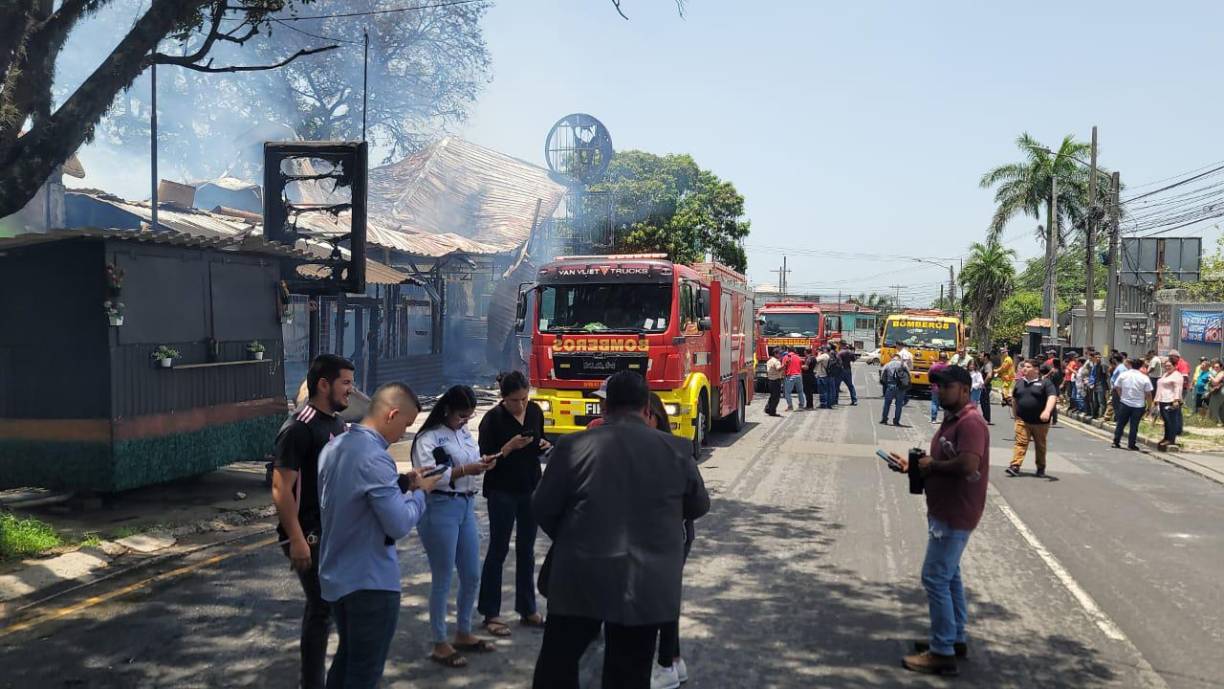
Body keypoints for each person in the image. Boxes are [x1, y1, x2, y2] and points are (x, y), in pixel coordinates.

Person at [532, 371, 710, 689]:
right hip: (646, 584)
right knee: (628, 675)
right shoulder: (678, 450)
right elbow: (698, 506)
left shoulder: (572, 445)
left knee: (557, 667)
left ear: (604, 408)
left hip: (579, 577)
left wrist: (575, 535)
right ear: (647, 408)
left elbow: (543, 508)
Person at [317, 383, 443, 689]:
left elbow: (356, 499)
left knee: (346, 663)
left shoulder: (335, 446)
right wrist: (421, 493)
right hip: (370, 582)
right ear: (393, 414)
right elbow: (398, 524)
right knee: (363, 674)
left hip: (337, 577)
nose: (403, 434)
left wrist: (402, 483)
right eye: (406, 425)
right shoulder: (375, 457)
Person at [885, 365, 989, 677]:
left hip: (956, 511)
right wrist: (915, 467)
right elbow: (944, 460)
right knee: (950, 575)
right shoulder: (954, 418)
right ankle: (955, 638)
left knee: (935, 578)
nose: (938, 391)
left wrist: (932, 465)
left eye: (944, 387)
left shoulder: (971, 422)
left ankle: (942, 651)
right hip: (946, 507)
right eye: (936, 387)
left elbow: (968, 463)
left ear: (962, 388)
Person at [271, 354, 353, 689]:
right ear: (324, 384)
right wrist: (297, 539)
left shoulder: (336, 423)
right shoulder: (299, 427)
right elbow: (280, 488)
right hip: (309, 535)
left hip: (333, 532)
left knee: (326, 609)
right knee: (321, 608)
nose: (351, 390)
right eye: (345, 383)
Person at [412, 385, 500, 668]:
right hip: (440, 505)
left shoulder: (462, 433)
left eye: (468, 417)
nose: (465, 421)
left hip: (465, 504)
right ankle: (439, 641)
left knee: (471, 573)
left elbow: (469, 460)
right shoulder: (429, 438)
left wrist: (482, 463)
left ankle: (463, 630)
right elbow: (430, 476)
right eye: (461, 416)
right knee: (443, 575)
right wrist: (465, 470)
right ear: (447, 410)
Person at [477, 372, 552, 639]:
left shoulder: (534, 412)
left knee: (527, 550)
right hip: (502, 490)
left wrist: (543, 444)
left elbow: (540, 443)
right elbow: (486, 460)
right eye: (514, 401)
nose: (520, 405)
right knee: (498, 550)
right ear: (503, 398)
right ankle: (490, 612)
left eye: (524, 398)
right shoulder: (492, 420)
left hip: (530, 487)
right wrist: (507, 447)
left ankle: (527, 607)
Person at [648, 392, 696, 689]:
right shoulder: (673, 447)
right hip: (671, 534)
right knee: (666, 598)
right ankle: (674, 659)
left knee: (660, 601)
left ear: (650, 415)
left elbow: (698, 502)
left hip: (668, 536)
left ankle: (666, 664)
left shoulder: (667, 450)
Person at [1006, 359, 1058, 478]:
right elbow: (1014, 399)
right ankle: (1015, 465)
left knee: (1040, 445)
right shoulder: (1019, 383)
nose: (1024, 369)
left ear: (1036, 369)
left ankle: (1041, 467)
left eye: (1028, 367)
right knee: (1020, 442)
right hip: (1022, 420)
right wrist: (1015, 415)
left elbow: (1052, 397)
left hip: (1040, 422)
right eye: (1024, 367)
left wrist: (1047, 411)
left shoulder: (1045, 383)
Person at [1113, 359, 1153, 450]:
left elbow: (1117, 387)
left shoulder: (1123, 375)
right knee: (1134, 425)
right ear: (1141, 366)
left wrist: (1121, 396)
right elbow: (1148, 394)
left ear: (1130, 365)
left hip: (1125, 402)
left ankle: (1116, 441)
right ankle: (1131, 444)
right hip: (1138, 405)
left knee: (1121, 423)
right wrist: (1150, 406)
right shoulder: (1144, 378)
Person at [1156, 351, 1186, 451]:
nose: (1167, 367)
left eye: (1169, 366)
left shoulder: (1177, 375)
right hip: (1162, 400)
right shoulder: (1165, 375)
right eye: (1166, 366)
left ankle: (1171, 439)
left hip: (1171, 400)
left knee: (1171, 421)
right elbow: (1160, 386)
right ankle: (1166, 437)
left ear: (1174, 366)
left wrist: (1176, 400)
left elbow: (1178, 388)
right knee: (1166, 421)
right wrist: (1156, 400)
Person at [879, 354, 910, 426]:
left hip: (890, 386)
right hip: (901, 387)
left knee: (887, 404)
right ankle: (896, 421)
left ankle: (884, 419)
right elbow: (908, 375)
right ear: (899, 358)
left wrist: (885, 384)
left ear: (892, 358)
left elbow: (882, 375)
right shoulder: (903, 365)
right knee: (899, 405)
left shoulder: (888, 364)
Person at [928, 352, 949, 425]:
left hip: (935, 387)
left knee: (934, 403)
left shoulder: (934, 366)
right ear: (946, 358)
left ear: (939, 358)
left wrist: (931, 383)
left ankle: (933, 419)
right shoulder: (948, 367)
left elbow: (929, 374)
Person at [782, 346, 804, 412]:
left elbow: (784, 368)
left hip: (790, 376)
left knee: (787, 392)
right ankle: (801, 406)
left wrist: (783, 376)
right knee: (800, 392)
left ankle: (790, 406)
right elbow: (800, 368)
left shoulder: (786, 357)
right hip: (798, 376)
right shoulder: (798, 357)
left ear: (788, 350)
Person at [764, 348, 783, 417]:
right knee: (776, 397)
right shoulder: (776, 361)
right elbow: (779, 369)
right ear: (775, 354)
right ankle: (772, 411)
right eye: (779, 353)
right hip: (776, 380)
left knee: (772, 396)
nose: (780, 355)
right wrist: (785, 365)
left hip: (770, 380)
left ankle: (768, 408)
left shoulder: (769, 361)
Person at [977, 352, 994, 425]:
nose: (979, 357)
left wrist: (984, 384)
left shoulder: (988, 365)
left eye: (981, 356)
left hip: (985, 387)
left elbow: (989, 375)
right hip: (984, 387)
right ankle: (985, 418)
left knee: (985, 403)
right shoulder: (985, 365)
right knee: (983, 402)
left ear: (986, 357)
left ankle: (987, 419)